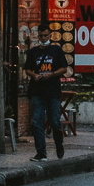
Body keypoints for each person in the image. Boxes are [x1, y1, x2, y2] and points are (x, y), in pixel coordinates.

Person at [24, 22, 69, 161]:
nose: (43, 38)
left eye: (46, 35)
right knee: (37, 121)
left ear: (50, 35)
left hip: (52, 90)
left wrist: (53, 74)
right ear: (38, 36)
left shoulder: (56, 50)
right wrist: (34, 75)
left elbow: (64, 68)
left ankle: (59, 144)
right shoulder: (33, 52)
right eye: (41, 36)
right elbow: (27, 69)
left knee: (55, 120)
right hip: (38, 90)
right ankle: (41, 153)